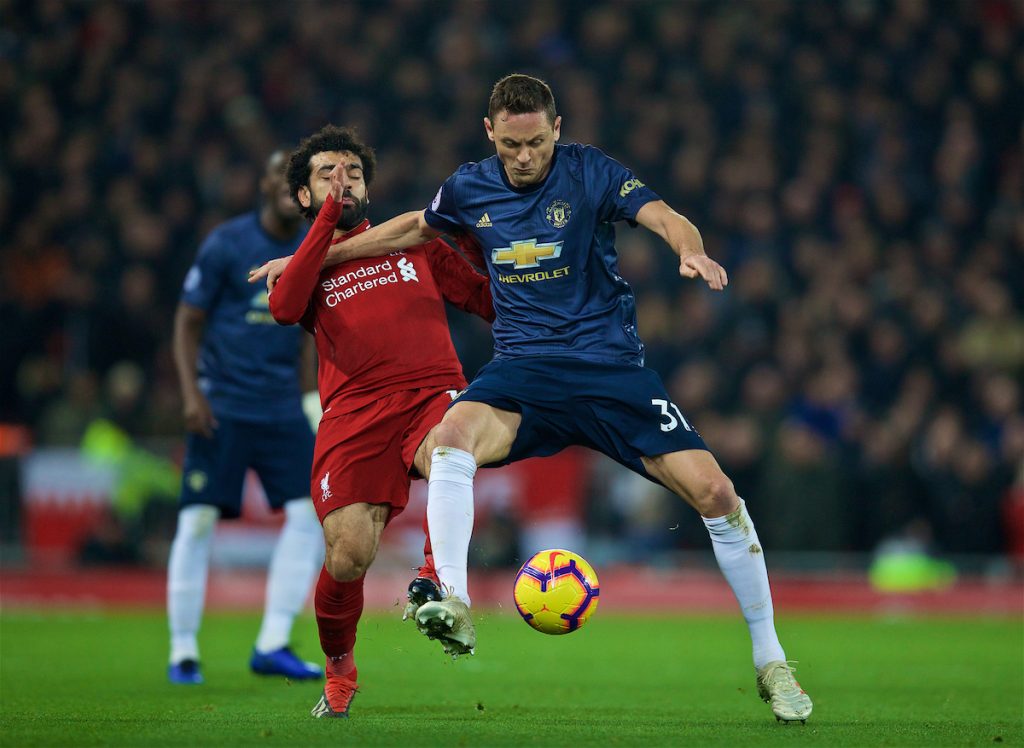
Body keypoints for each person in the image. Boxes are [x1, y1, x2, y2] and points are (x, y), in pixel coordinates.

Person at [254, 74, 814, 723]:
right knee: (453, 436)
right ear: (491, 134)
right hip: (523, 370)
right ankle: (452, 599)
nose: (525, 158)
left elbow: (664, 215)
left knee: (717, 494)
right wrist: (313, 258)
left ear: (557, 129)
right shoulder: (468, 185)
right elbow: (413, 226)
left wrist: (690, 250)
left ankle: (771, 661)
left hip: (610, 370)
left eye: (538, 143)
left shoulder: (590, 172)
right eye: (513, 145)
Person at [267, 125, 493, 718]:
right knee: (347, 556)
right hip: (355, 413)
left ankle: (431, 579)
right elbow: (285, 308)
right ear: (302, 197)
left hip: (431, 393)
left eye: (354, 174)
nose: (343, 183)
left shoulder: (412, 241)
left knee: (452, 448)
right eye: (327, 176)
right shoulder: (305, 266)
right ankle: (340, 670)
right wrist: (322, 229)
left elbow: (483, 298)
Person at [168, 151, 324, 685]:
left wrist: (312, 404)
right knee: (197, 520)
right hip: (225, 406)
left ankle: (273, 641)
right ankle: (184, 648)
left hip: (283, 408)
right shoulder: (227, 244)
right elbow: (188, 322)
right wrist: (192, 394)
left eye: (298, 179)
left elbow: (309, 334)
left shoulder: (313, 245)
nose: (288, 185)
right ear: (262, 183)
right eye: (280, 174)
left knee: (309, 518)